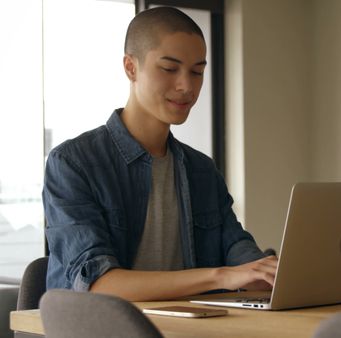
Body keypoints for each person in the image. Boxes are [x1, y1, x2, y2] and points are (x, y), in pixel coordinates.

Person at [42, 6, 277, 302]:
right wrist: (221, 276)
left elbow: (236, 248)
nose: (187, 86)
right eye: (169, 69)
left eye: (197, 72)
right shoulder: (72, 164)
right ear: (130, 67)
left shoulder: (201, 169)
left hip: (184, 328)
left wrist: (268, 273)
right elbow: (99, 285)